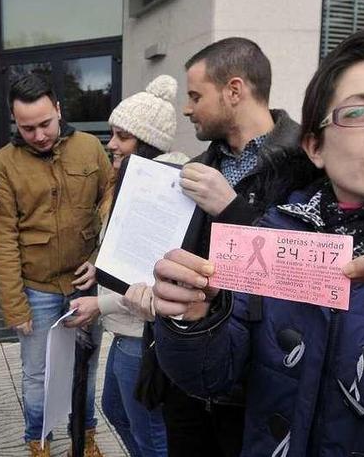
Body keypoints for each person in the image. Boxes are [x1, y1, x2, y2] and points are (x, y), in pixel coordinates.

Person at [152, 28, 364, 456]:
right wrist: (193, 322)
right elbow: (213, 378)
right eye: (360, 112)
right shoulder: (274, 230)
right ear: (315, 147)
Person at [126, 37, 303, 457]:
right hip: (186, 379)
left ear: (235, 91)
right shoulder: (196, 167)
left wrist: (233, 209)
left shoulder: (308, 165)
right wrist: (151, 293)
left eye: (194, 96)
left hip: (255, 388)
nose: (186, 109)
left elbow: (305, 274)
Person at [0, 74, 114, 457]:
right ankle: (38, 440)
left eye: (45, 124)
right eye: (27, 128)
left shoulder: (91, 148)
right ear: (14, 121)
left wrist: (99, 262)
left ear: (58, 109)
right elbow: (3, 238)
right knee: (37, 373)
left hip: (84, 285)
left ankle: (86, 435)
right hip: (36, 288)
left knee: (86, 367)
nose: (39, 135)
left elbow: (110, 205)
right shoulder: (3, 165)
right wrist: (14, 304)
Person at [69, 75, 187, 456]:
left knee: (150, 435)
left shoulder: (163, 192)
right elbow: (126, 257)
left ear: (147, 142)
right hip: (128, 332)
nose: (112, 144)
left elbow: (154, 280)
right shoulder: (133, 182)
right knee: (116, 411)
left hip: (144, 337)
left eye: (122, 136)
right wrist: (98, 269)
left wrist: (98, 304)